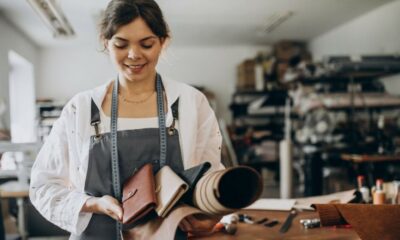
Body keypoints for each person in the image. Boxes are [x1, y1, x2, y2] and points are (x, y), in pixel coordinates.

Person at [29, 0, 223, 239]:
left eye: (147, 44)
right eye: (121, 44)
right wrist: (94, 204)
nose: (134, 55)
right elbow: (42, 186)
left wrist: (210, 213)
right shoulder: (80, 108)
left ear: (163, 41)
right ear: (105, 42)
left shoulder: (191, 103)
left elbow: (210, 176)